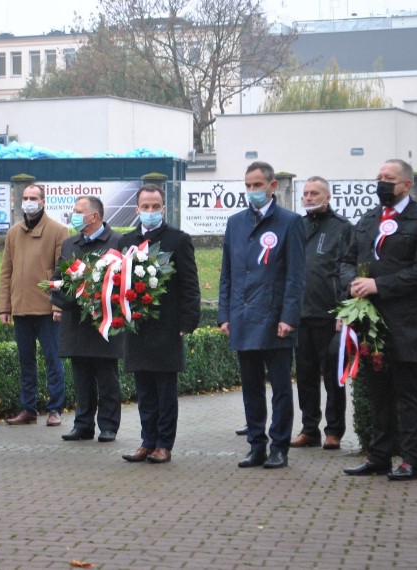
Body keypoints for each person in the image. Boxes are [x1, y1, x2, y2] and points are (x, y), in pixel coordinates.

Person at [342, 159, 417, 481]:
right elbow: (346, 260)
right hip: (370, 326)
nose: (382, 183)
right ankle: (379, 456)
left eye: (389, 178)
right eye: (379, 177)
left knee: (408, 395)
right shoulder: (368, 220)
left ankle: (413, 460)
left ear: (407, 185)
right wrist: (353, 283)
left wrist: (379, 285)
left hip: (405, 324)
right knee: (378, 394)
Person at [218, 161, 305, 470]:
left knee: (281, 387)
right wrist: (224, 313)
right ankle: (257, 445)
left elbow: (296, 275)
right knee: (251, 386)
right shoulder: (235, 222)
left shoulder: (290, 223)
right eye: (248, 185)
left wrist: (289, 316)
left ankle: (279, 446)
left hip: (275, 318)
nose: (252, 191)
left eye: (257, 185)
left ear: (272, 187)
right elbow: (227, 272)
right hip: (243, 316)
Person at [120, 183, 201, 464]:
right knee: (143, 390)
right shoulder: (126, 241)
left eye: (156, 207)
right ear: (137, 209)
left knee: (165, 390)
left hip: (167, 327)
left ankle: (164, 444)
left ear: (163, 208)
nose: (151, 212)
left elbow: (190, 284)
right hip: (137, 328)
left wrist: (188, 321)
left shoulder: (178, 240)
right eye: (146, 207)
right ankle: (147, 441)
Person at [51, 196, 123, 443]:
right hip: (76, 323)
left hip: (104, 323)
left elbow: (125, 283)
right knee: (81, 378)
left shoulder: (117, 242)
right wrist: (64, 297)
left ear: (94, 216)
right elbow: (59, 277)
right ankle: (83, 425)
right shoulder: (70, 244)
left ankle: (109, 426)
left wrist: (100, 298)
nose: (74, 214)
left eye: (78, 211)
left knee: (107, 377)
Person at [291, 176, 353, 451]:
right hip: (300, 314)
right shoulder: (297, 226)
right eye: (305, 193)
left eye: (314, 193)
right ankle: (309, 429)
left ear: (327, 197)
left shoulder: (342, 229)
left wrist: (344, 308)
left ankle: (334, 431)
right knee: (305, 376)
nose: (308, 197)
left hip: (330, 316)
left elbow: (346, 270)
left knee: (332, 376)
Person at [0, 183, 68, 427]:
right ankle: (28, 409)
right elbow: (6, 272)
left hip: (47, 309)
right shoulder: (13, 233)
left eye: (33, 197)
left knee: (53, 360)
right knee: (25, 361)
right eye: (25, 197)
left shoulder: (59, 231)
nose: (28, 201)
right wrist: (4, 307)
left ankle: (55, 409)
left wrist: (58, 305)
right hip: (20, 308)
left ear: (43, 201)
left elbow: (63, 272)